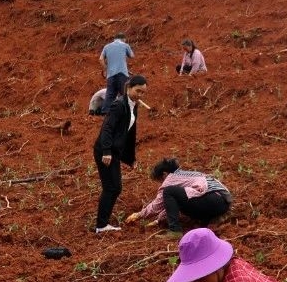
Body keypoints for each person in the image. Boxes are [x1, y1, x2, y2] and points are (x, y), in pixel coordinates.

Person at [93, 74, 147, 234]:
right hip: (104, 151)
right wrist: (107, 151)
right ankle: (101, 225)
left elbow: (130, 133)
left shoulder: (133, 106)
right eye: (138, 91)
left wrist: (130, 158)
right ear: (129, 88)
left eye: (143, 92)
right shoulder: (119, 105)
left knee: (114, 187)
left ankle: (102, 224)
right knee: (112, 187)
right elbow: (107, 128)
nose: (140, 95)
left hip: (114, 152)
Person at [126, 158, 232, 234]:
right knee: (179, 195)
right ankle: (205, 225)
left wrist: (139, 215)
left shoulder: (171, 179)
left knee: (168, 191)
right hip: (223, 204)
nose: (161, 183)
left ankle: (175, 232)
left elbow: (158, 205)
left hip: (213, 199)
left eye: (159, 180)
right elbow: (172, 204)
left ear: (164, 174)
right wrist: (158, 220)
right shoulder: (186, 175)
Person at [99, 33, 134, 104]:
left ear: (114, 39)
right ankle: (126, 111)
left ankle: (106, 112)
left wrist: (105, 70)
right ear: (123, 39)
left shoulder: (107, 46)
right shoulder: (125, 45)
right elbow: (132, 56)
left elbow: (100, 59)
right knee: (125, 94)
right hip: (122, 74)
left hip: (110, 75)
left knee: (110, 95)